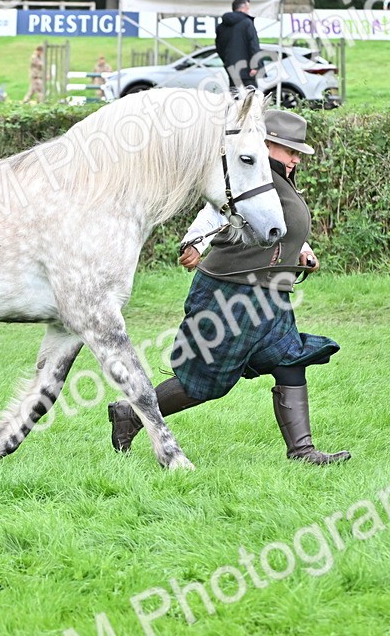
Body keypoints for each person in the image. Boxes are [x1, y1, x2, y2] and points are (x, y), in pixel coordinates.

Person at [107, 108, 350, 465]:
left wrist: (303, 250)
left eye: (298, 151)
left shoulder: (280, 178)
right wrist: (193, 243)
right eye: (289, 149)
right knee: (204, 381)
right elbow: (214, 212)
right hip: (229, 295)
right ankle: (131, 414)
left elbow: (286, 226)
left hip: (271, 296)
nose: (296, 156)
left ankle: (303, 451)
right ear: (266, 145)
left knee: (290, 361)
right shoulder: (246, 175)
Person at [214, 0, 260, 93]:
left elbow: (219, 47)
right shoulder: (247, 23)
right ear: (244, 8)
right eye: (248, 8)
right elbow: (253, 44)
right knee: (252, 96)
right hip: (247, 68)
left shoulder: (221, 26)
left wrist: (226, 61)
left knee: (234, 95)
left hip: (231, 66)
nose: (248, 11)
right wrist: (255, 66)